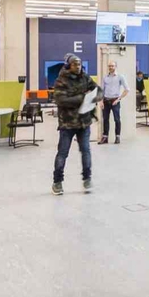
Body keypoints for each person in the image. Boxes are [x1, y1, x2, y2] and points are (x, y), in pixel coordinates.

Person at [51, 54, 100, 196]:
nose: (78, 67)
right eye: (75, 64)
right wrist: (82, 98)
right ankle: (57, 182)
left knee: (86, 151)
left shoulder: (85, 77)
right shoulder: (61, 80)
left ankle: (87, 179)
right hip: (67, 123)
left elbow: (98, 91)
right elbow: (61, 100)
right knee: (63, 153)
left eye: (79, 64)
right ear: (68, 66)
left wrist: (92, 98)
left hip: (84, 123)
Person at [98, 61, 128, 145]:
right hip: (106, 101)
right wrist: (101, 101)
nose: (111, 67)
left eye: (112, 66)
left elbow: (127, 89)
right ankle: (105, 138)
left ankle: (117, 137)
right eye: (109, 66)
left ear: (115, 67)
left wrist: (118, 99)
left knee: (117, 119)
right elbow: (101, 90)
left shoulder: (120, 77)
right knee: (105, 119)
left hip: (115, 101)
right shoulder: (105, 78)